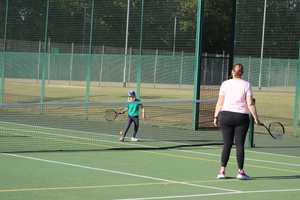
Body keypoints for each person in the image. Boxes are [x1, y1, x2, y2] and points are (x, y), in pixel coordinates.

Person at [213, 63, 260, 180]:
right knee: (240, 145)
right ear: (242, 73)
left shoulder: (225, 84)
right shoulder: (247, 84)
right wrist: (256, 118)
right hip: (241, 118)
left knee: (227, 144)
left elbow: (220, 102)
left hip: (225, 116)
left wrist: (215, 116)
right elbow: (250, 103)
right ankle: (240, 172)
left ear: (232, 72)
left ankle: (222, 171)